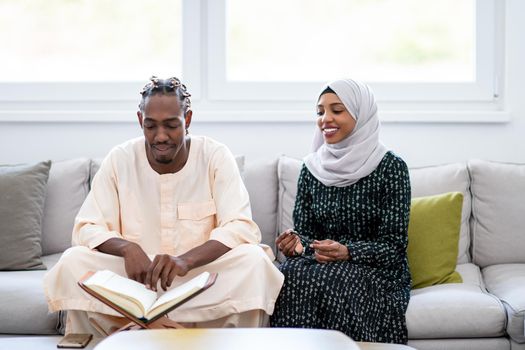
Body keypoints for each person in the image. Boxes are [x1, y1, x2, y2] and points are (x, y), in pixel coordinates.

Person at [44, 76, 284, 336]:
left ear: (187, 119)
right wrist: (127, 248)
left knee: (254, 261)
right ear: (140, 121)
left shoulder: (214, 155)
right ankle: (167, 330)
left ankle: (142, 329)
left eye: (171, 126)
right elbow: (86, 228)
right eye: (151, 126)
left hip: (196, 279)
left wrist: (185, 260)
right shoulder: (120, 159)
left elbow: (240, 227)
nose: (160, 136)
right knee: (73, 260)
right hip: (134, 281)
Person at [270, 79, 411, 344]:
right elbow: (306, 235)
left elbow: (394, 247)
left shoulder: (391, 168)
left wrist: (348, 252)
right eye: (320, 111)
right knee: (287, 274)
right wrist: (296, 245)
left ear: (361, 114)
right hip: (319, 264)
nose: (326, 119)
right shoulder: (311, 169)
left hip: (374, 271)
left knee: (338, 279)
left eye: (337, 110)